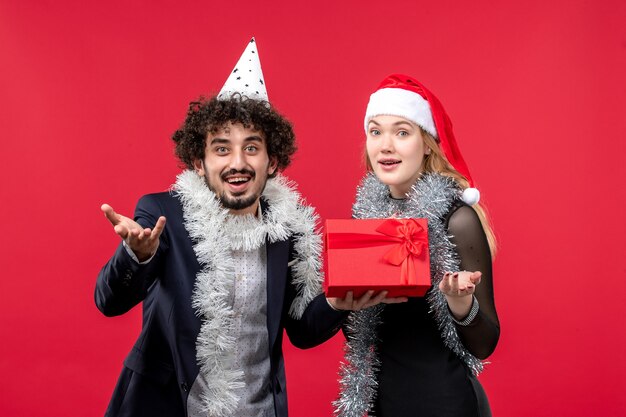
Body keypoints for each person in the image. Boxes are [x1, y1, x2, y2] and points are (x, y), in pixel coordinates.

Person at [95, 39, 393, 417]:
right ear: (199, 163)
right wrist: (137, 256)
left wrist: (337, 302)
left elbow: (300, 332)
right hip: (169, 407)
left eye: (252, 147)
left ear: (272, 162)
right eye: (221, 149)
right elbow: (109, 302)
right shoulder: (161, 214)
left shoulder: (289, 230)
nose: (238, 162)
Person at [334, 74, 500, 417]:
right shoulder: (366, 218)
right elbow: (360, 334)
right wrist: (345, 302)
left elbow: (485, 344)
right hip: (383, 403)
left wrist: (461, 304)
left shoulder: (457, 219)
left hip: (445, 403)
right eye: (376, 131)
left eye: (402, 132)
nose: (386, 145)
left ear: (427, 144)